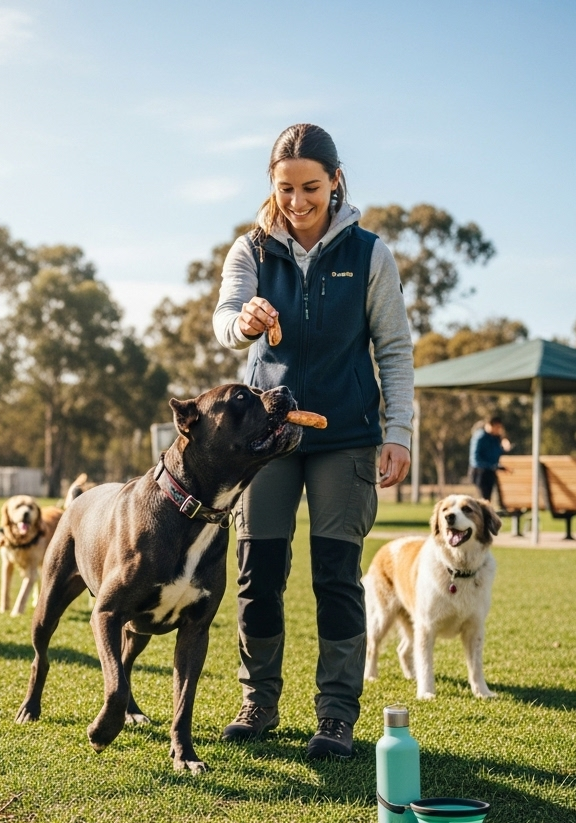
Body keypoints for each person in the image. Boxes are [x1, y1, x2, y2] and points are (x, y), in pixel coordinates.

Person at [212, 123, 414, 760]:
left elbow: (394, 348)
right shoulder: (250, 250)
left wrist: (399, 432)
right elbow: (225, 319)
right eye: (286, 188)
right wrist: (243, 322)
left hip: (346, 437)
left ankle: (336, 716)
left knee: (336, 575)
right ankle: (258, 701)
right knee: (257, 571)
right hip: (263, 439)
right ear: (272, 186)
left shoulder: (371, 254)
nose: (297, 201)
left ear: (334, 182)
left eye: (310, 187)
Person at [468, 417, 511, 501]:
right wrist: (491, 466)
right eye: (497, 427)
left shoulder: (496, 438)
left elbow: (496, 453)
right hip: (480, 472)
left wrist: (504, 446)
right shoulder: (481, 437)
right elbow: (475, 458)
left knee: (489, 498)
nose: (499, 430)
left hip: (490, 470)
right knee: (484, 498)